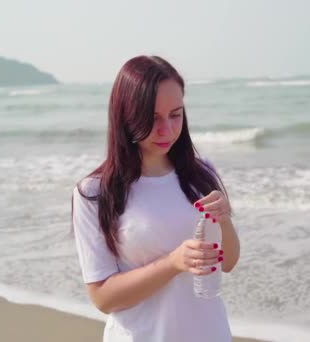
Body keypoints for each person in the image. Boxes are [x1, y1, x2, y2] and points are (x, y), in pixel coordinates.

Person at [71, 55, 240, 342]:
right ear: (126, 115)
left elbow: (229, 261)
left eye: (175, 115)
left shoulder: (202, 173)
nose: (167, 130)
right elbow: (103, 297)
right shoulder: (95, 192)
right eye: (152, 118)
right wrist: (173, 263)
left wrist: (224, 221)